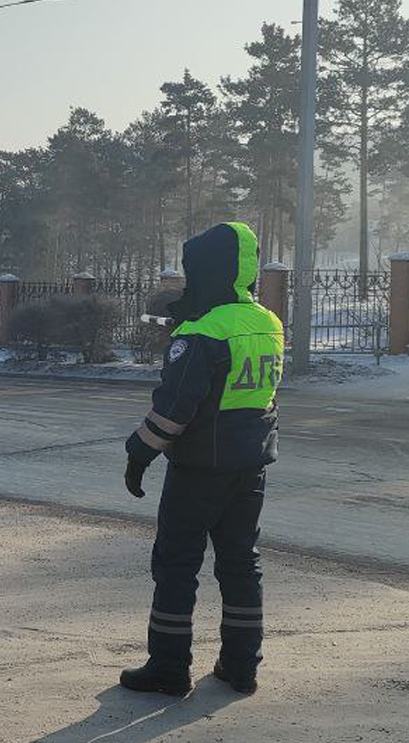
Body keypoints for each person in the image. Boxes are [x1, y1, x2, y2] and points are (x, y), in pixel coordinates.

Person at [118, 221, 283, 698]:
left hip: (198, 471)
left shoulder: (202, 330)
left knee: (176, 565)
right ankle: (241, 666)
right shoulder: (268, 322)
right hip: (250, 467)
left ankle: (169, 668)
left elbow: (175, 409)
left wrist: (138, 454)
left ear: (208, 270)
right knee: (240, 564)